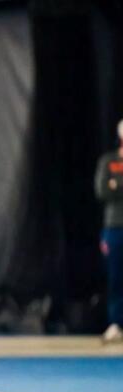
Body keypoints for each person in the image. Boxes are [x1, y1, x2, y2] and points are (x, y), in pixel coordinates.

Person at [95, 119, 123, 344]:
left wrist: (118, 184)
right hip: (114, 227)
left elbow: (114, 187)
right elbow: (103, 190)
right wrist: (113, 185)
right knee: (115, 277)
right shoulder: (109, 161)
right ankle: (115, 323)